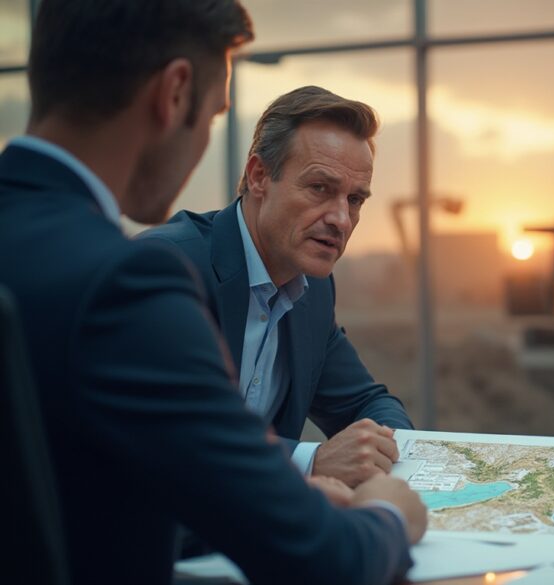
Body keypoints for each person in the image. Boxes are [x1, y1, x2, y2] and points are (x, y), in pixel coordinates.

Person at [0, 1, 425, 583]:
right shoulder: (135, 282)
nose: (342, 219)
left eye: (355, 201)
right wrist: (390, 515)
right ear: (175, 93)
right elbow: (323, 559)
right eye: (214, 113)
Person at [140, 86, 412, 488]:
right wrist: (311, 460)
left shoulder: (312, 290)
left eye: (355, 199)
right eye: (320, 188)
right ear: (259, 176)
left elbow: (367, 403)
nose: (341, 218)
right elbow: (168, 438)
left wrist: (383, 446)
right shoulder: (167, 268)